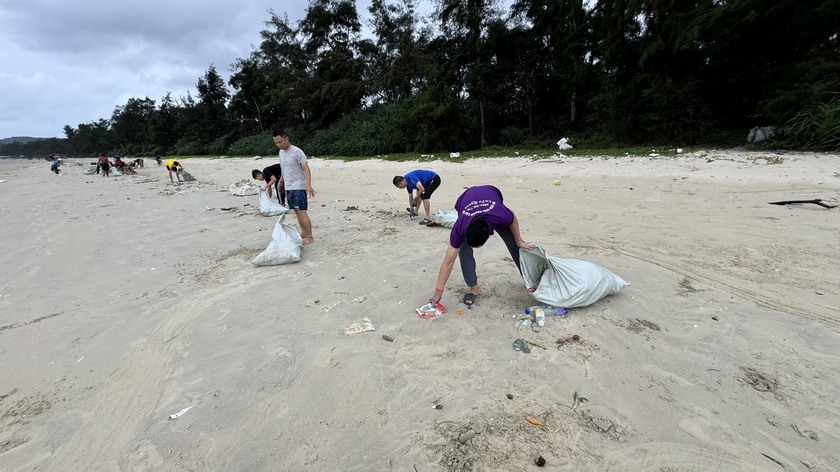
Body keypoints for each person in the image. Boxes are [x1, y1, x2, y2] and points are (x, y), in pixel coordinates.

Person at [430, 185, 531, 307]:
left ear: (489, 235)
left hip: (491, 192)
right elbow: (448, 262)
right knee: (463, 250)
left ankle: (530, 280)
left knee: (516, 244)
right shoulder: (460, 228)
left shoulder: (500, 216)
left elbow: (513, 217)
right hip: (465, 198)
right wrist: (438, 293)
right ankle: (473, 287)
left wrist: (519, 240)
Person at [272, 129, 315, 244]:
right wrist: (281, 181)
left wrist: (308, 185)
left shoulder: (297, 151)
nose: (278, 145)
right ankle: (304, 232)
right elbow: (283, 168)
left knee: (301, 211)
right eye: (276, 143)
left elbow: (306, 168)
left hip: (299, 186)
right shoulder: (281, 153)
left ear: (287, 138)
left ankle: (310, 236)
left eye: (280, 142)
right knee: (296, 211)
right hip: (289, 186)